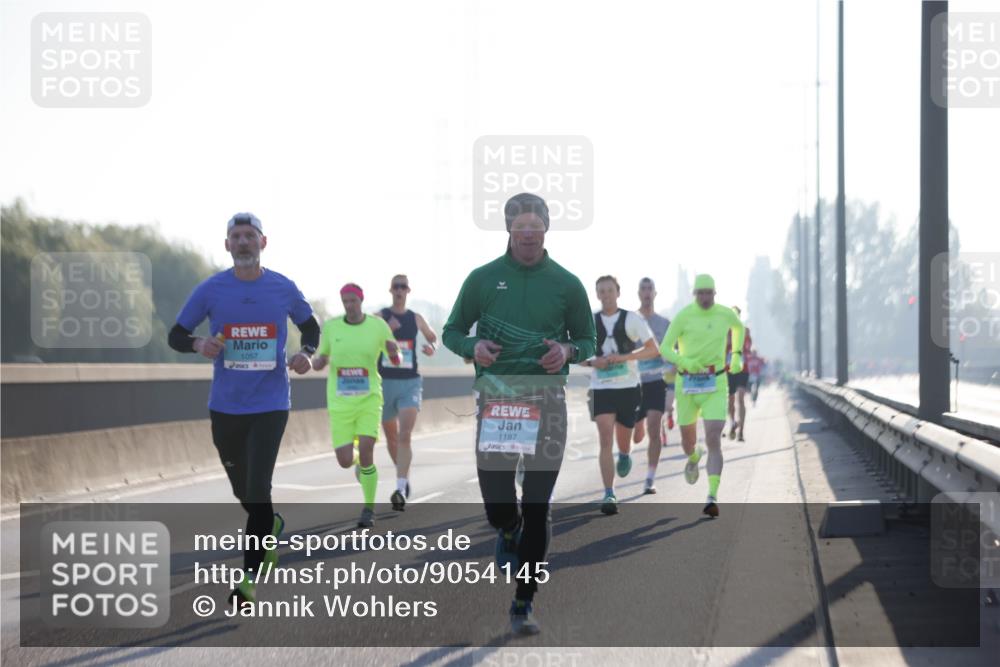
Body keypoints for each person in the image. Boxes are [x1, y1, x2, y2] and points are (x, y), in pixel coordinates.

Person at [443, 192, 596, 636]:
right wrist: (473, 347)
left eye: (536, 226)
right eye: (520, 227)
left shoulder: (567, 284)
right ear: (508, 230)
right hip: (497, 403)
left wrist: (567, 350)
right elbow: (453, 330)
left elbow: (587, 341)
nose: (528, 234)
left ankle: (523, 601)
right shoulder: (482, 279)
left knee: (537, 503)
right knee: (498, 506)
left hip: (547, 402)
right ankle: (506, 529)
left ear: (547, 229)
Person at [168, 212, 319, 604]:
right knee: (244, 493)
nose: (243, 242)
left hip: (271, 404)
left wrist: (305, 352)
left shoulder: (282, 288)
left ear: (263, 243)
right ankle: (271, 523)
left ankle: (247, 581)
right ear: (227, 246)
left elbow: (312, 327)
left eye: (250, 235)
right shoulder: (212, 289)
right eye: (236, 236)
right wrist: (198, 344)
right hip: (225, 405)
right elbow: (176, 335)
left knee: (257, 487)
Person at [312, 283, 401, 528]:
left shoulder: (377, 326)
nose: (349, 305)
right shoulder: (332, 327)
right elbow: (322, 358)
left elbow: (396, 358)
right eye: (345, 301)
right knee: (344, 460)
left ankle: (368, 509)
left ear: (361, 301)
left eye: (353, 301)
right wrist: (317, 362)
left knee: (367, 453)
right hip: (340, 403)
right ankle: (359, 464)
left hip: (369, 399)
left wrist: (394, 353)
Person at [659, 274, 745, 518]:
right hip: (686, 385)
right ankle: (694, 456)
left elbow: (738, 326)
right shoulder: (684, 316)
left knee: (713, 436)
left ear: (715, 294)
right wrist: (683, 360)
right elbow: (664, 348)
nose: (705, 297)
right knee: (689, 443)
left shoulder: (725, 314)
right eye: (701, 293)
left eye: (709, 293)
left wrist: (736, 355)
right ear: (694, 295)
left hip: (715, 382)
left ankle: (712, 496)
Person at [580, 276, 659, 514]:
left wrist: (624, 358)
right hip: (601, 389)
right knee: (605, 438)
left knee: (624, 439)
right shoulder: (589, 322)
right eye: (601, 291)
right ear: (597, 295)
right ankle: (609, 493)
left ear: (618, 292)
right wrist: (595, 362)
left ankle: (624, 454)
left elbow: (653, 349)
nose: (606, 295)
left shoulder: (631, 319)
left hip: (628, 388)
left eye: (609, 290)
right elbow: (575, 355)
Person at [376, 275, 439, 511]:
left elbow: (433, 338)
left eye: (403, 287)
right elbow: (365, 337)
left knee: (404, 435)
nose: (400, 290)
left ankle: (400, 487)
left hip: (410, 382)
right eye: (396, 286)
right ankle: (403, 474)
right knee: (392, 438)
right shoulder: (380, 317)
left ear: (408, 290)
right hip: (385, 382)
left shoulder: (416, 318)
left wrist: (432, 347)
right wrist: (384, 331)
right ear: (390, 290)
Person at [630, 277, 673, 494]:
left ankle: (649, 478)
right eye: (643, 289)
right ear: (638, 293)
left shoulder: (664, 324)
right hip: (634, 384)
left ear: (655, 293)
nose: (647, 293)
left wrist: (674, 368)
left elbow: (672, 352)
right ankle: (627, 447)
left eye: (650, 289)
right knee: (636, 435)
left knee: (654, 428)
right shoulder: (630, 320)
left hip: (656, 381)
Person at [726, 306, 753, 441]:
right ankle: (733, 423)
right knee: (730, 401)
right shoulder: (725, 332)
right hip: (729, 370)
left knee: (740, 398)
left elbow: (746, 347)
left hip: (743, 369)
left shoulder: (745, 331)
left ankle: (741, 430)